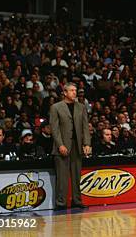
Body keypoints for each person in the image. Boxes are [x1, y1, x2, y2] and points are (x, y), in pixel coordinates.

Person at [50, 82, 91, 210]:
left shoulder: (81, 107)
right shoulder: (56, 107)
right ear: (65, 93)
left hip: (77, 145)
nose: (74, 92)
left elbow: (85, 126)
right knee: (62, 177)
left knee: (76, 175)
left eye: (75, 90)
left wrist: (87, 143)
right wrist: (60, 145)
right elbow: (54, 129)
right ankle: (61, 203)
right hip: (62, 145)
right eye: (72, 90)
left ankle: (77, 200)